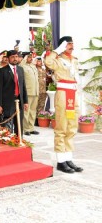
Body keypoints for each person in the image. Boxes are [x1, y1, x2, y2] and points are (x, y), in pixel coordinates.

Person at [44, 36, 83, 174]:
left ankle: (68, 158)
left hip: (73, 95)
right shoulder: (58, 60)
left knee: (72, 127)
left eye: (72, 44)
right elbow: (48, 62)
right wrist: (57, 50)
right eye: (68, 44)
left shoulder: (74, 60)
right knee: (61, 127)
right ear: (62, 46)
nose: (71, 46)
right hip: (63, 95)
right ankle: (61, 161)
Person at [0, 50, 29, 136]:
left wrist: (25, 101)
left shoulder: (20, 70)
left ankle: (19, 140)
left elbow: (23, 86)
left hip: (19, 101)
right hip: (7, 103)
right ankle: (6, 141)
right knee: (6, 126)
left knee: (19, 123)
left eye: (16, 57)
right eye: (13, 57)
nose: (15, 59)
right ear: (8, 58)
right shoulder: (2, 71)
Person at [20, 52, 40, 136]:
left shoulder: (33, 66)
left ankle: (31, 128)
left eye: (31, 57)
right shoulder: (22, 66)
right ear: (25, 58)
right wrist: (23, 60)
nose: (31, 58)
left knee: (33, 111)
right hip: (28, 92)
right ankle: (26, 129)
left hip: (35, 92)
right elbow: (19, 66)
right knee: (26, 111)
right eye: (29, 57)